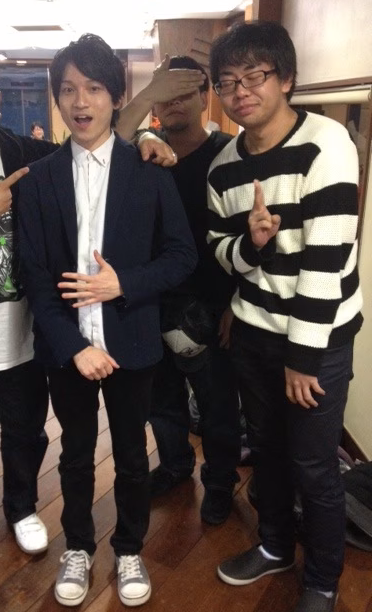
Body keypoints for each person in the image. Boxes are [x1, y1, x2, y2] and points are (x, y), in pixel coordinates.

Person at [0, 38, 171, 579]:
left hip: (22, 337)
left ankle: (21, 509)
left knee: (25, 435)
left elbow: (92, 151)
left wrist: (146, 139)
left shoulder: (28, 156)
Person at [17, 33, 197, 607]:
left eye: (94, 88)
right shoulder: (39, 179)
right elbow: (35, 277)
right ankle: (77, 546)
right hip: (68, 349)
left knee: (131, 456)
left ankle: (128, 548)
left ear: (117, 97)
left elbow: (182, 255)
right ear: (57, 98)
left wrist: (125, 283)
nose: (81, 101)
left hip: (131, 342)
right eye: (68, 89)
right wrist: (75, 347)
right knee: (74, 454)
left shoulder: (149, 169)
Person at [207, 21, 363, 612]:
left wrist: (303, 358)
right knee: (268, 452)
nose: (240, 91)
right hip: (254, 333)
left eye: (255, 75)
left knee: (314, 465)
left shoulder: (327, 143)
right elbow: (219, 251)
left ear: (287, 79)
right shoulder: (224, 165)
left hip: (318, 342)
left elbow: (327, 262)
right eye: (228, 81)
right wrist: (251, 246)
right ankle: (274, 545)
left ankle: (322, 580)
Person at [121, 55, 242, 524]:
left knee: (217, 406)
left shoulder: (229, 154)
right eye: (163, 94)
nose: (172, 103)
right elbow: (108, 143)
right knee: (161, 399)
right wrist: (143, 132)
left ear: (204, 95)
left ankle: (220, 482)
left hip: (213, 303)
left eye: (183, 92)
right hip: (153, 300)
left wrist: (236, 304)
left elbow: (246, 236)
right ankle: (175, 466)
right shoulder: (145, 153)